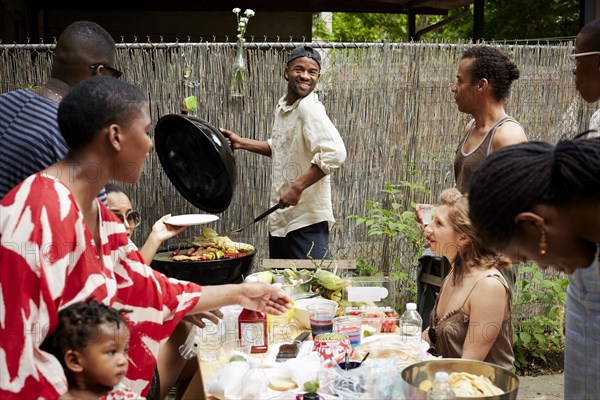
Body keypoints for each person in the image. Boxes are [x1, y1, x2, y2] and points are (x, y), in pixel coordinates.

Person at [0, 76, 291, 399]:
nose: (151, 144)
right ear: (115, 136)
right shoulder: (37, 213)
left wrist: (242, 294)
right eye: (146, 131)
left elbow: (151, 290)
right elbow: (15, 353)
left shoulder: (102, 218)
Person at [415, 46, 527, 325]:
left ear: (482, 86)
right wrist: (440, 215)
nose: (454, 88)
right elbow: (467, 197)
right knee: (450, 336)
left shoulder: (507, 135)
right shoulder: (470, 129)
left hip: (491, 260)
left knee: (481, 343)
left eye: (459, 80)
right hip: (462, 253)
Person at [220, 45, 347, 260]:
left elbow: (335, 154)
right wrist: (241, 143)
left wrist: (296, 188)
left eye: (312, 72)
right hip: (282, 220)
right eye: (299, 69)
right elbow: (282, 147)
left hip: (306, 222)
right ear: (286, 72)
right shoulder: (285, 107)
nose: (305, 76)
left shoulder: (309, 107)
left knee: (309, 290)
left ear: (318, 77)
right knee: (284, 289)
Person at [105, 183, 218, 399]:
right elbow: (131, 286)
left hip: (125, 353)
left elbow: (135, 276)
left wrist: (156, 235)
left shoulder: (121, 246)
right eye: (116, 216)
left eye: (130, 216)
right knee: (186, 334)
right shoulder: (94, 256)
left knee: (199, 358)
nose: (127, 225)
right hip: (122, 381)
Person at [0, 20, 121, 201]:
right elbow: (96, 227)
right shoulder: (77, 138)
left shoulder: (4, 102)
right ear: (100, 73)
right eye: (113, 76)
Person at [421, 188, 514, 370]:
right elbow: (434, 334)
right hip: (445, 382)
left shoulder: (488, 287)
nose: (427, 228)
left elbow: (468, 367)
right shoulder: (456, 272)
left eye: (439, 223)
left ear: (464, 237)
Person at [41, 299, 143, 400]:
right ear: (75, 361)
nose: (123, 361)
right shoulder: (49, 393)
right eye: (111, 352)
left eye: (125, 351)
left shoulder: (126, 398)